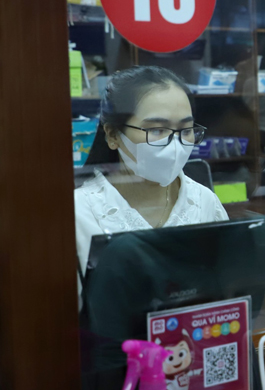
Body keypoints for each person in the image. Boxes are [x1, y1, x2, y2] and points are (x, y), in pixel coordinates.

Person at [75, 66, 228, 277]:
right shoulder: (78, 213)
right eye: (157, 130)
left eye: (186, 130)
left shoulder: (204, 202)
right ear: (113, 135)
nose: (175, 144)